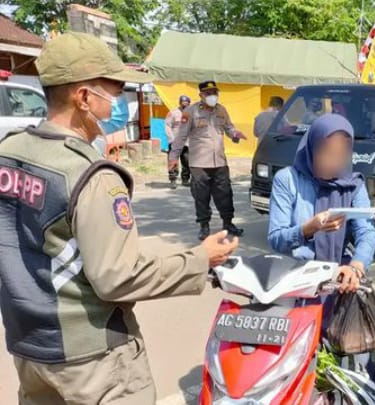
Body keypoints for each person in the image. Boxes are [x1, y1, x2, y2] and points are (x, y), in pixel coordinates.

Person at [0, 32, 239, 405]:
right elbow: (117, 276)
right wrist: (200, 260)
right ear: (83, 97)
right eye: (112, 92)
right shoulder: (90, 176)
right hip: (91, 358)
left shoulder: (9, 151)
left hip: (28, 344)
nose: (116, 103)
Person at [267, 113, 375, 383]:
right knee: (296, 362)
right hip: (298, 284)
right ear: (311, 148)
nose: (334, 161)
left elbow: (366, 232)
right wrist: (309, 228)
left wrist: (356, 266)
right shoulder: (288, 180)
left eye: (342, 154)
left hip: (338, 280)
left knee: (355, 363)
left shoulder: (353, 183)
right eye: (326, 153)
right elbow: (276, 238)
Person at [169, 80, 247, 241]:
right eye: (208, 93)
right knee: (201, 196)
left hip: (219, 162)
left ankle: (228, 223)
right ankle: (204, 226)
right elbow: (181, 136)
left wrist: (234, 134)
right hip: (199, 163)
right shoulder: (190, 112)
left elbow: (229, 127)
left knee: (225, 194)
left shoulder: (222, 110)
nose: (212, 96)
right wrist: (173, 157)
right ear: (201, 95)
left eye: (215, 93)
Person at [165, 95, 192, 189]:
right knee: (173, 162)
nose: (185, 105)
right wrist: (171, 139)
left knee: (187, 162)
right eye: (183, 103)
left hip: (186, 143)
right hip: (174, 142)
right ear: (180, 103)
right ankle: (173, 180)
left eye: (187, 103)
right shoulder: (173, 113)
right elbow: (167, 126)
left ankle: (185, 180)